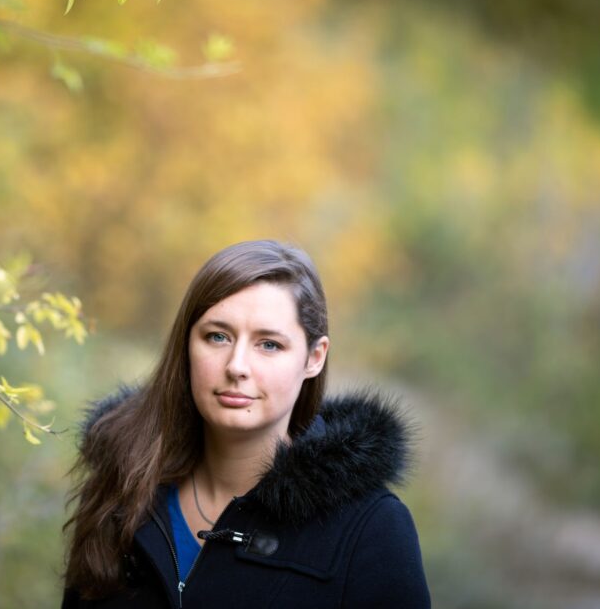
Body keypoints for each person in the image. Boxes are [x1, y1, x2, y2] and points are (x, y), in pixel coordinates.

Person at [62, 240, 430, 608]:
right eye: (217, 336)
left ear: (313, 358)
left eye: (269, 344)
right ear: (186, 345)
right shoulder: (123, 484)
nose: (237, 365)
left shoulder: (371, 528)